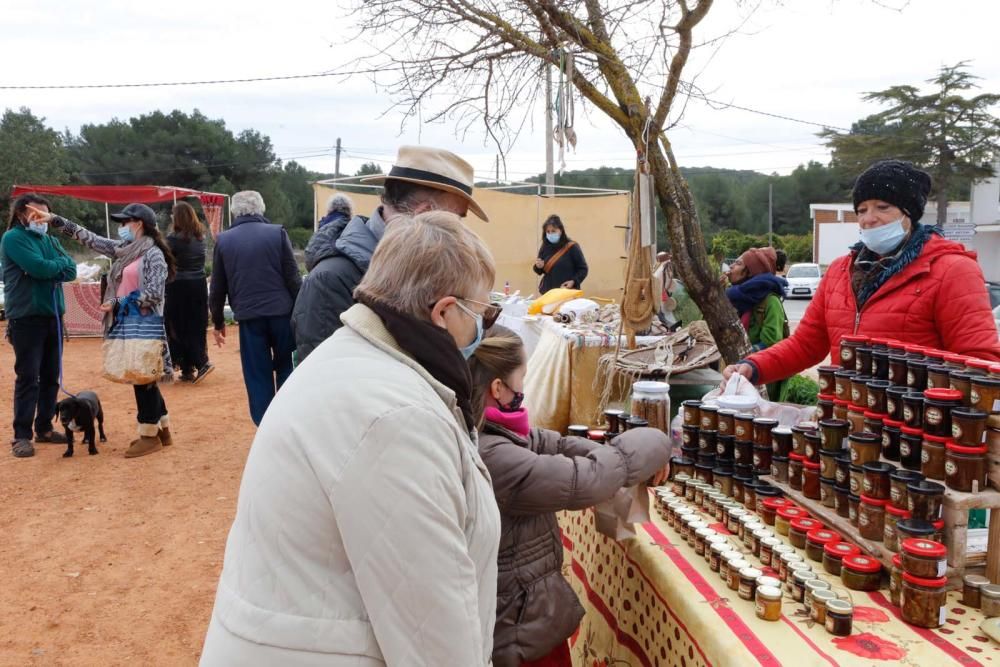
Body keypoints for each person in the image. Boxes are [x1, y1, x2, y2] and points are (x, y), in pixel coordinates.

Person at [201, 211, 502, 666]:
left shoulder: (358, 364)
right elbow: (434, 631)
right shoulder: (395, 419)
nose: (486, 328)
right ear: (443, 312)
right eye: (484, 313)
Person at [470, 330, 671, 667]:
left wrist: (609, 453)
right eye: (522, 378)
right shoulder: (494, 457)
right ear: (498, 389)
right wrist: (653, 441)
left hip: (514, 612)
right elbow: (585, 482)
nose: (525, 389)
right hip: (517, 626)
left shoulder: (490, 429)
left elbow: (554, 444)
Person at [724, 159, 1000, 389]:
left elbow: (979, 361)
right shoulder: (839, 271)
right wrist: (753, 366)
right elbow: (805, 344)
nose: (869, 218)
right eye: (861, 209)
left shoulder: (951, 270)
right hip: (845, 426)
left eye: (883, 207)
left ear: (910, 214)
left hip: (914, 434)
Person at [292, 145, 489, 362]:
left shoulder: (423, 266)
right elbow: (330, 379)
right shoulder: (332, 279)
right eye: (456, 219)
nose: (460, 230)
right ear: (424, 215)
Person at [49, 203, 176, 458]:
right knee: (143, 378)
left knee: (144, 381)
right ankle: (162, 430)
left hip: (144, 324)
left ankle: (148, 435)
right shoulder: (126, 250)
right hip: (129, 324)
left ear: (138, 223)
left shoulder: (153, 254)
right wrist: (55, 219)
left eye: (124, 222)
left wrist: (118, 302)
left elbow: (153, 294)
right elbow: (91, 239)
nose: (121, 228)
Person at [209, 191, 301, 425]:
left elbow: (217, 287)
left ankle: (264, 425)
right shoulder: (277, 233)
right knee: (286, 367)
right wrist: (301, 311)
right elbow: (293, 278)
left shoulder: (223, 240)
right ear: (261, 208)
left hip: (249, 317)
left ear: (234, 212)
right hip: (282, 314)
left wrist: (218, 322)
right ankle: (289, 418)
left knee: (257, 375)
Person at [1, 194, 76, 458]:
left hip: (53, 317)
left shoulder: (51, 239)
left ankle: (43, 427)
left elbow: (71, 270)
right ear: (22, 214)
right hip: (26, 318)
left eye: (45, 215)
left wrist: (49, 268)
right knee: (28, 378)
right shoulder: (13, 238)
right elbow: (40, 268)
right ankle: (21, 436)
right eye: (36, 215)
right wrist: (52, 268)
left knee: (51, 376)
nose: (42, 220)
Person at [724, 247, 789, 399]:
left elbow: (772, 342)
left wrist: (745, 354)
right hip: (737, 372)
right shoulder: (735, 299)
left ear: (751, 272)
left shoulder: (771, 302)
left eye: (738, 263)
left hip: (762, 377)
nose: (731, 267)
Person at [165, 201, 212, 383]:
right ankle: (188, 367)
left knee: (177, 326)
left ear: (177, 217)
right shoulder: (200, 238)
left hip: (178, 287)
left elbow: (166, 264)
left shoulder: (172, 240)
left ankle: (199, 363)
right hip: (199, 285)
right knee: (196, 325)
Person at [532, 214, 588, 294]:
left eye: (553, 231)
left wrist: (574, 281)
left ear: (561, 230)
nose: (550, 234)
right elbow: (539, 271)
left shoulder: (572, 247)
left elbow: (583, 269)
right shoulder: (545, 246)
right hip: (548, 293)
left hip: (567, 292)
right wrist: (538, 266)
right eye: (548, 231)